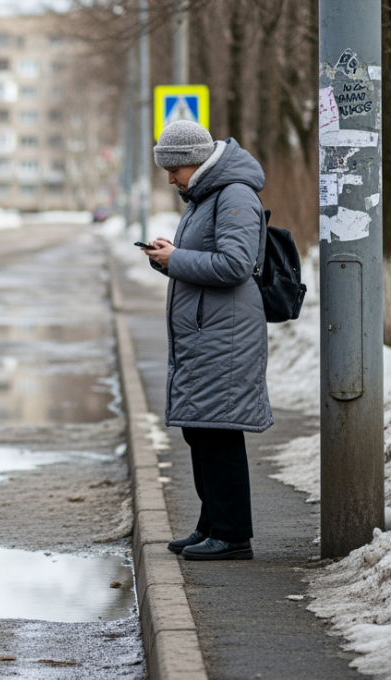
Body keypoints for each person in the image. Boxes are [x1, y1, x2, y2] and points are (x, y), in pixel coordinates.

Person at [143, 120, 271, 561]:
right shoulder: (205, 197)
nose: (170, 178)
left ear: (191, 162)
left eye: (172, 169)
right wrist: (168, 259)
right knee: (200, 432)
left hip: (225, 335)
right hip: (207, 333)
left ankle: (233, 534)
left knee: (218, 433)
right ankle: (211, 524)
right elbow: (206, 258)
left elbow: (235, 264)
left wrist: (176, 258)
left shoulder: (234, 194)